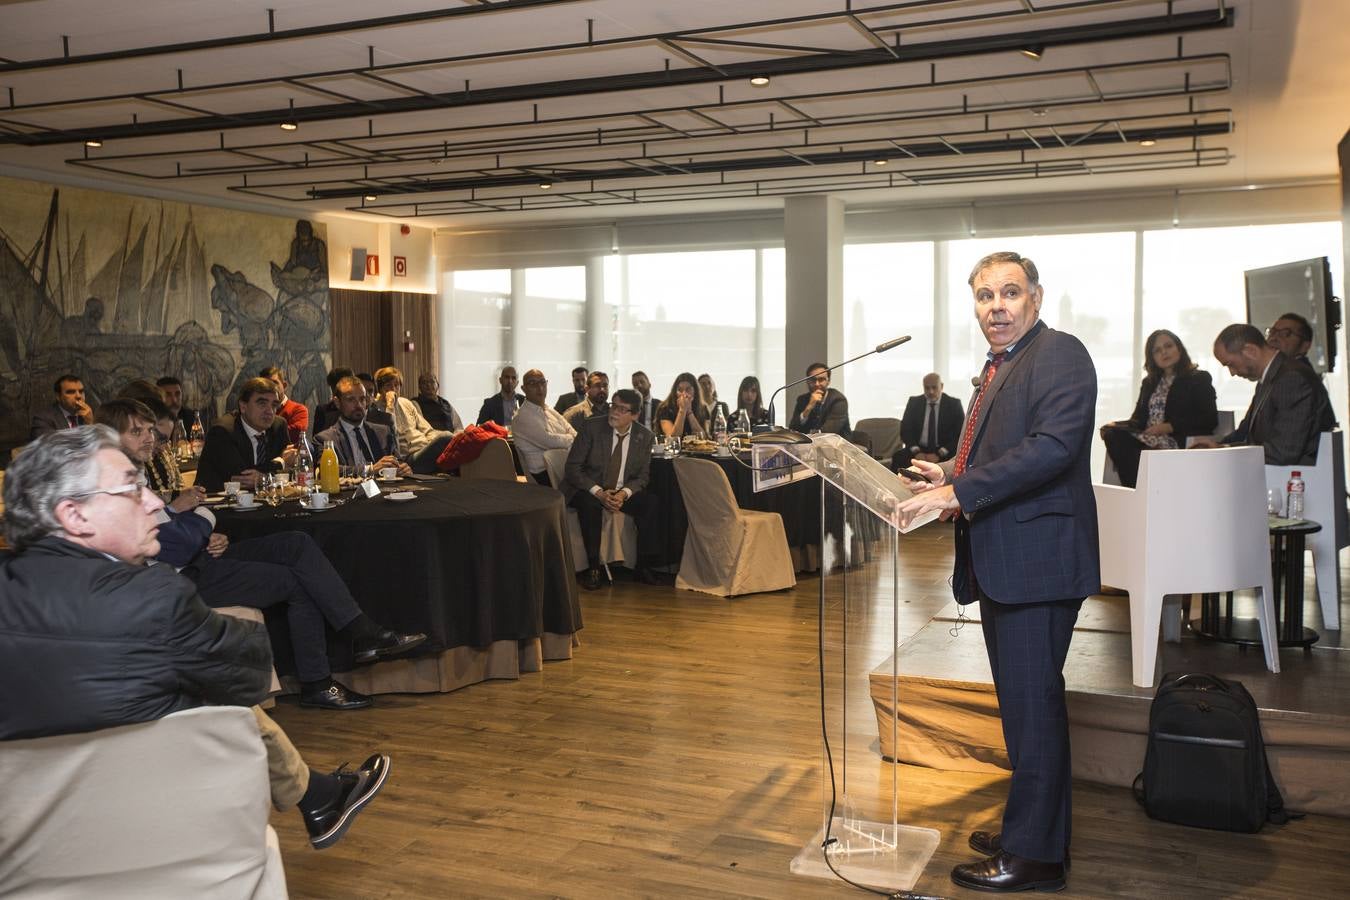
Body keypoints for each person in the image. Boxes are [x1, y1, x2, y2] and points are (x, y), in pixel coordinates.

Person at [0, 426, 389, 850]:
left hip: (30, 849)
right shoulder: (152, 599)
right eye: (132, 489)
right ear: (75, 515)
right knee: (214, 694)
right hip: (156, 834)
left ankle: (319, 797)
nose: (153, 503)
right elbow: (252, 676)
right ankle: (318, 798)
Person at [897, 251, 1098, 893]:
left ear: (1035, 297)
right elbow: (1006, 449)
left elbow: (1051, 449)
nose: (996, 307)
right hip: (1009, 560)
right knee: (1023, 706)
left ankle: (1034, 857)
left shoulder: (1059, 352)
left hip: (1035, 563)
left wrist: (959, 493)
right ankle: (1034, 832)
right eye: (984, 296)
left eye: (1009, 293)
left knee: (1031, 709)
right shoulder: (1004, 364)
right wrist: (951, 474)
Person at [98, 399, 427, 710]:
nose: (148, 438)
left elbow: (168, 529)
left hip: (197, 556)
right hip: (181, 578)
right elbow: (175, 544)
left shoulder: (136, 475)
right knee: (296, 581)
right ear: (111, 437)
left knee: (296, 543)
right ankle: (320, 680)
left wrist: (196, 527)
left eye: (148, 431)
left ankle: (361, 633)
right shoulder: (117, 484)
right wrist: (203, 519)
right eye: (136, 431)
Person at [1193, 323, 1335, 465]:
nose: (1232, 373)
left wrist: (1223, 450)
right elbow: (1245, 432)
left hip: (1294, 478)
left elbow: (1283, 451)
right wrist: (1213, 447)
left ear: (1250, 351)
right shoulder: (1272, 376)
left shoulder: (1291, 379)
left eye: (1231, 364)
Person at [563, 389, 660, 591]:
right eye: (613, 406)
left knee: (651, 503)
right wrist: (599, 492)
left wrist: (623, 494)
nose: (614, 412)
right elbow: (573, 468)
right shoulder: (591, 427)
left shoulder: (645, 436)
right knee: (590, 505)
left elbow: (642, 477)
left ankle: (643, 566)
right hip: (587, 488)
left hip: (619, 490)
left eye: (622, 409)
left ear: (635, 415)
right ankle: (593, 568)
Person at [1098, 330, 1218, 487]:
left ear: (1179, 348)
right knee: (1113, 433)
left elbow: (1208, 419)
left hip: (1176, 440)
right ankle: (1137, 487)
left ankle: (1139, 487)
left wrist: (1168, 426)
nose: (1164, 352)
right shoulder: (1149, 382)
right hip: (1147, 440)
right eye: (1157, 351)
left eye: (1168, 346)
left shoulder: (1198, 378)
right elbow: (1138, 420)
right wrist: (1115, 426)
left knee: (1137, 453)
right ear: (1152, 357)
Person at [195, 377, 296, 492]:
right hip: (216, 503)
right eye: (262, 404)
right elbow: (244, 478)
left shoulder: (278, 426)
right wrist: (280, 463)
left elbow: (290, 473)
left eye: (274, 405)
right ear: (243, 407)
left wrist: (264, 477)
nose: (270, 411)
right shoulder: (222, 431)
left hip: (263, 502)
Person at [314, 376, 410, 474]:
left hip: (384, 488)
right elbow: (327, 471)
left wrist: (403, 469)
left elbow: (397, 462)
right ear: (337, 402)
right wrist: (369, 470)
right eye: (351, 400)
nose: (359, 405)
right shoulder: (325, 439)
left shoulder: (383, 432)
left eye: (362, 399)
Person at [373, 366, 454, 474]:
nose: (393, 389)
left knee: (453, 439)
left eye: (396, 385)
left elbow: (428, 430)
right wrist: (390, 406)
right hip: (407, 459)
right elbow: (390, 438)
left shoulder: (406, 403)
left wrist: (437, 444)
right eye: (388, 385)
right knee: (446, 437)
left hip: (424, 449)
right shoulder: (375, 409)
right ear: (380, 388)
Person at [511, 369, 576, 485]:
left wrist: (570, 437)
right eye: (533, 383)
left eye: (542, 382)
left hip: (564, 467)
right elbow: (550, 441)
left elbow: (571, 430)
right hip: (544, 475)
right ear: (523, 389)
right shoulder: (521, 417)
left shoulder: (549, 410)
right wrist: (571, 438)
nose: (539, 387)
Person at [895, 372, 965, 472]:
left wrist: (939, 454)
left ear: (941, 386)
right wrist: (917, 452)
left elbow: (960, 434)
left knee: (956, 463)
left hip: (944, 450)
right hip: (918, 449)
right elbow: (906, 431)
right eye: (927, 388)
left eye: (934, 387)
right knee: (898, 458)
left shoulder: (953, 404)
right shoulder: (914, 403)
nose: (931, 391)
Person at [789, 363, 851, 438]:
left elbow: (830, 431)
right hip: (809, 445)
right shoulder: (802, 399)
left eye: (821, 379)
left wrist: (806, 436)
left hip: (837, 445)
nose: (817, 384)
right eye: (813, 379)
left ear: (828, 381)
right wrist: (808, 408)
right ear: (807, 381)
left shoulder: (838, 400)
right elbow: (792, 429)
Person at [29, 373, 92, 439]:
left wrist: (90, 425)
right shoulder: (42, 419)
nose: (79, 396)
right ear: (58, 396)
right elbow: (51, 447)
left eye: (81, 391)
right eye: (71, 392)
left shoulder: (87, 414)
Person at [260, 365, 310, 441]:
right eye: (266, 384)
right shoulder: (257, 409)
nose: (271, 387)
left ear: (284, 385)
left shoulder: (298, 409)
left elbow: (297, 433)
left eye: (275, 383)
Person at [655, 372, 708, 438]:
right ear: (675, 391)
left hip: (695, 448)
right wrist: (682, 410)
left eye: (688, 389)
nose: (684, 394)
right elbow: (673, 438)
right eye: (680, 390)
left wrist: (689, 412)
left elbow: (703, 437)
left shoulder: (703, 408)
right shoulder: (664, 408)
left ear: (695, 391)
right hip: (671, 448)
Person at [311, 366, 355, 435]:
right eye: (332, 387)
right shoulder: (323, 410)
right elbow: (317, 439)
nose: (334, 391)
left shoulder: (358, 408)